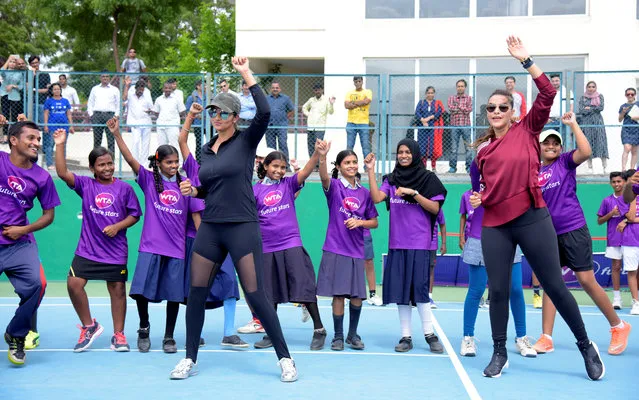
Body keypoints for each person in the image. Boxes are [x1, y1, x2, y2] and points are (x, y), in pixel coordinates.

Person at [469, 36, 604, 380]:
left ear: (512, 112)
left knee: (554, 286)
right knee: (497, 290)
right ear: (486, 114)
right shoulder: (482, 153)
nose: (497, 111)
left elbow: (547, 93)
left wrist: (526, 60)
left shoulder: (529, 130)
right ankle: (499, 352)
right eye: (491, 108)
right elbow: (481, 187)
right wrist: (479, 197)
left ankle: (586, 346)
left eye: (503, 107)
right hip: (495, 225)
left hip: (533, 218)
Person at [171, 57, 297, 382]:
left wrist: (245, 72)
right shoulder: (206, 151)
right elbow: (206, 190)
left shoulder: (245, 141)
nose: (216, 117)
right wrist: (193, 189)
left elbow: (266, 113)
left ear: (235, 117)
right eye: (213, 112)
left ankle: (285, 358)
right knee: (195, 291)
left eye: (222, 112)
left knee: (255, 294)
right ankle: (189, 358)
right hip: (211, 227)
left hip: (242, 226)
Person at [533, 117, 631, 357]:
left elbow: (586, 151)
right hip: (548, 234)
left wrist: (574, 125)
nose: (552, 147)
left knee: (586, 280)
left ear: (560, 147)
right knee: (551, 284)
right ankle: (546, 337)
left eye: (556, 143)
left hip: (574, 229)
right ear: (539, 146)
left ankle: (618, 326)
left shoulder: (565, 162)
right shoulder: (534, 171)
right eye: (547, 143)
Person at [108, 117, 192, 354]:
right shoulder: (148, 181)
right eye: (169, 162)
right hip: (151, 246)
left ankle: (169, 336)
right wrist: (117, 134)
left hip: (176, 248)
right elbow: (130, 159)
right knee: (140, 292)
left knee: (174, 296)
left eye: (176, 161)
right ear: (159, 163)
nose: (174, 165)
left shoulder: (185, 185)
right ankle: (144, 327)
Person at [53, 130, 141, 352]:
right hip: (88, 250)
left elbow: (135, 215)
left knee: (117, 289)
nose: (107, 168)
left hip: (115, 251)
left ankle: (119, 335)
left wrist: (117, 226)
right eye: (101, 165)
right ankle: (89, 326)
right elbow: (62, 172)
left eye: (110, 164)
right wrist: (60, 144)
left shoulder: (125, 188)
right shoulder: (86, 185)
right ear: (92, 168)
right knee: (74, 284)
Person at [178, 102, 247, 348]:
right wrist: (191, 117)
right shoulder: (196, 167)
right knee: (198, 287)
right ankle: (197, 334)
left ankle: (229, 333)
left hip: (226, 231)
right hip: (204, 237)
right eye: (214, 113)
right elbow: (183, 141)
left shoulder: (226, 165)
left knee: (229, 282)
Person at [365, 139, 443, 353]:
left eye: (408, 152)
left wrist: (414, 193)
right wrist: (370, 171)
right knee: (401, 291)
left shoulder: (428, 179)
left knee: (419, 289)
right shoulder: (391, 180)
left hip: (419, 243)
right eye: (400, 152)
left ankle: (429, 334)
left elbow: (435, 208)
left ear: (415, 154)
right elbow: (376, 197)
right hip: (397, 243)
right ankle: (406, 336)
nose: (404, 155)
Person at [252, 148, 327, 350]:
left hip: (290, 242)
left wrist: (317, 155)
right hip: (267, 247)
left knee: (304, 287)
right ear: (265, 166)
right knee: (270, 293)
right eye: (275, 166)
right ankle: (271, 333)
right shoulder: (255, 191)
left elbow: (305, 172)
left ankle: (319, 329)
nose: (279, 170)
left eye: (283, 167)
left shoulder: (288, 184)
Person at [461, 160, 536, 357]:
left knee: (515, 290)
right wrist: (488, 148)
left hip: (508, 238)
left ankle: (522, 338)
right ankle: (468, 338)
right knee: (476, 291)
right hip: (479, 240)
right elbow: (476, 166)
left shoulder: (510, 186)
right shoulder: (477, 188)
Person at [1, 120, 60, 365]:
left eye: (38, 139)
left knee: (38, 285)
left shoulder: (42, 177)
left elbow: (49, 215)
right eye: (31, 138)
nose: (36, 143)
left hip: (19, 242)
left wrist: (23, 229)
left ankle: (16, 335)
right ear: (13, 140)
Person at [317, 144, 379, 351]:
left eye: (354, 162)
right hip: (336, 247)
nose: (352, 166)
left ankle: (353, 334)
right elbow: (324, 177)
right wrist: (322, 157)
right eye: (347, 163)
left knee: (356, 296)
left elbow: (374, 222)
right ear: (340, 166)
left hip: (356, 250)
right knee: (338, 295)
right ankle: (338, 336)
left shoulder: (364, 192)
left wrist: (360, 223)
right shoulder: (334, 186)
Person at [598, 172, 626, 310]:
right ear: (610, 183)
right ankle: (617, 299)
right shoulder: (607, 201)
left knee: (636, 270)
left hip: (631, 239)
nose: (617, 184)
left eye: (619, 181)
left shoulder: (631, 200)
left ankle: (635, 298)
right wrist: (611, 214)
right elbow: (599, 221)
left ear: (624, 182)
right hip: (614, 239)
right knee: (615, 267)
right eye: (614, 182)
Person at [302, 84, 335, 167]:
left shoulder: (326, 100)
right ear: (314, 91)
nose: (317, 91)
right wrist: (308, 114)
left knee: (319, 147)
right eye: (316, 90)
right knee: (310, 146)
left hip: (320, 127)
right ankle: (312, 165)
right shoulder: (311, 100)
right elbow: (304, 107)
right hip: (310, 127)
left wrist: (331, 104)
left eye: (319, 89)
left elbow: (331, 112)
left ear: (322, 90)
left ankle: (318, 166)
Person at [43, 83, 74, 170]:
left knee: (63, 146)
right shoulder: (49, 101)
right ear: (52, 91)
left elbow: (68, 114)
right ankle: (49, 164)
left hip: (64, 126)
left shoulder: (65, 101)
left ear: (61, 90)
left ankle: (62, 165)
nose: (57, 91)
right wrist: (46, 125)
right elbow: (46, 113)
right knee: (50, 145)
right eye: (55, 89)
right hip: (52, 126)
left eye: (58, 89)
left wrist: (71, 125)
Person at [578, 81, 607, 174]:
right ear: (586, 88)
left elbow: (601, 107)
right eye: (589, 87)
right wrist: (593, 108)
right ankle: (590, 167)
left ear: (596, 88)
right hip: (587, 122)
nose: (591, 88)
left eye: (593, 87)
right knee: (588, 143)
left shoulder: (600, 96)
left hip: (598, 122)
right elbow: (581, 110)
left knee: (601, 142)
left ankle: (604, 166)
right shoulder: (583, 97)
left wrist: (588, 107)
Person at [87, 72, 120, 153]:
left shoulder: (115, 90)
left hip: (110, 116)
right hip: (97, 116)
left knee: (111, 140)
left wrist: (115, 116)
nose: (105, 78)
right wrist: (92, 115)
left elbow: (118, 105)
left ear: (109, 78)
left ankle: (111, 162)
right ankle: (96, 161)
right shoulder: (95, 89)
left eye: (107, 76)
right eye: (103, 76)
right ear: (100, 78)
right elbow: (90, 103)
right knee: (97, 140)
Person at [149, 81, 186, 152]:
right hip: (161, 126)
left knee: (175, 145)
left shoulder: (177, 99)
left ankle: (179, 162)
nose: (167, 90)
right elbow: (156, 112)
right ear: (163, 89)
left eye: (169, 88)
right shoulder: (159, 99)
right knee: (161, 147)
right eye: (166, 88)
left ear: (172, 89)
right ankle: (162, 162)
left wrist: (180, 124)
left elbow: (182, 112)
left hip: (173, 126)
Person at [123, 79, 154, 165]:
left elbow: (151, 108)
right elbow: (124, 98)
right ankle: (135, 162)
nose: (141, 91)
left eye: (142, 89)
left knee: (145, 143)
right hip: (135, 123)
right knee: (136, 142)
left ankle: (143, 163)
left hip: (146, 122)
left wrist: (149, 111)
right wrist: (126, 85)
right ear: (136, 88)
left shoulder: (147, 95)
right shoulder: (131, 94)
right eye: (139, 89)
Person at [414, 87, 444, 171]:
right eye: (428, 93)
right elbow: (417, 112)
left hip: (433, 128)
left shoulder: (437, 103)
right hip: (422, 128)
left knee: (432, 147)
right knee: (423, 148)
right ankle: (423, 167)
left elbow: (439, 112)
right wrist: (423, 120)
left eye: (432, 93)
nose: (430, 94)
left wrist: (430, 118)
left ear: (434, 94)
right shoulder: (421, 102)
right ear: (426, 93)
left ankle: (433, 167)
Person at [447, 79, 473, 174]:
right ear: (456, 87)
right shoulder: (451, 98)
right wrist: (462, 108)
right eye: (458, 86)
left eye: (462, 86)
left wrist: (458, 106)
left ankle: (469, 167)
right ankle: (453, 168)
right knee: (454, 148)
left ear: (465, 87)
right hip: (454, 126)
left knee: (468, 148)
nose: (460, 88)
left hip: (466, 125)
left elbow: (469, 110)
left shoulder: (469, 98)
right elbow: (451, 108)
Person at [344, 76, 373, 161]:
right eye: (356, 82)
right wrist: (361, 102)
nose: (358, 83)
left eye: (359, 81)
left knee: (365, 146)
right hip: (351, 122)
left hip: (363, 122)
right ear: (354, 83)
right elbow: (346, 105)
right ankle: (348, 163)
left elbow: (366, 101)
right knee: (349, 146)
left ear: (362, 82)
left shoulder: (367, 92)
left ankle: (367, 167)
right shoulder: (349, 93)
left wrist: (352, 103)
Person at [266, 82, 294, 159]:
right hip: (270, 126)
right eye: (273, 87)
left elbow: (291, 110)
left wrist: (284, 118)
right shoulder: (266, 98)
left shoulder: (286, 98)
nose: (275, 89)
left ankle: (286, 165)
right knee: (270, 146)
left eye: (277, 88)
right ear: (271, 89)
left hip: (282, 126)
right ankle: (272, 163)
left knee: (283, 144)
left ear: (280, 89)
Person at [428, 208, 446, 308]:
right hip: (418, 243)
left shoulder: (437, 207)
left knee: (430, 270)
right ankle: (414, 296)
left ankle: (429, 296)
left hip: (432, 244)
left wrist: (443, 243)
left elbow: (442, 224)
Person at [619, 88, 639, 171]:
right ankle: (623, 168)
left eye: (632, 94)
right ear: (625, 95)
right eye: (628, 94)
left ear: (635, 95)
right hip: (626, 128)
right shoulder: (623, 106)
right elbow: (620, 119)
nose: (630, 96)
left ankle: (632, 169)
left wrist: (636, 117)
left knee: (634, 151)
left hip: (636, 128)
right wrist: (623, 112)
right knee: (627, 148)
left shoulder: (638, 104)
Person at [185, 80, 205, 162]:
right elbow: (187, 111)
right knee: (199, 143)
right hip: (198, 124)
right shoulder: (192, 97)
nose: (205, 86)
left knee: (211, 142)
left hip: (209, 124)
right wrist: (196, 115)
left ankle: (209, 160)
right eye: (203, 85)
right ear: (198, 86)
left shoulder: (209, 96)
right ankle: (199, 161)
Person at [1, 55, 25, 122]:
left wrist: (13, 86)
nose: (12, 63)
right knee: (5, 115)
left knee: (15, 116)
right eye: (10, 62)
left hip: (15, 96)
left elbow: (21, 86)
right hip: (5, 94)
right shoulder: (5, 72)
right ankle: (6, 131)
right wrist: (8, 59)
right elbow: (1, 71)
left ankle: (14, 131)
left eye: (14, 62)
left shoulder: (20, 73)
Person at [28, 56, 50, 125]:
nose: (35, 65)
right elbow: (28, 88)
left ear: (39, 63)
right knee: (31, 124)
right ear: (30, 64)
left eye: (36, 62)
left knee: (44, 124)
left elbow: (48, 89)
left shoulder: (45, 74)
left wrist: (34, 90)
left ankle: (46, 136)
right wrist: (33, 75)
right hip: (30, 103)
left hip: (42, 102)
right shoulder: (28, 74)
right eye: (33, 63)